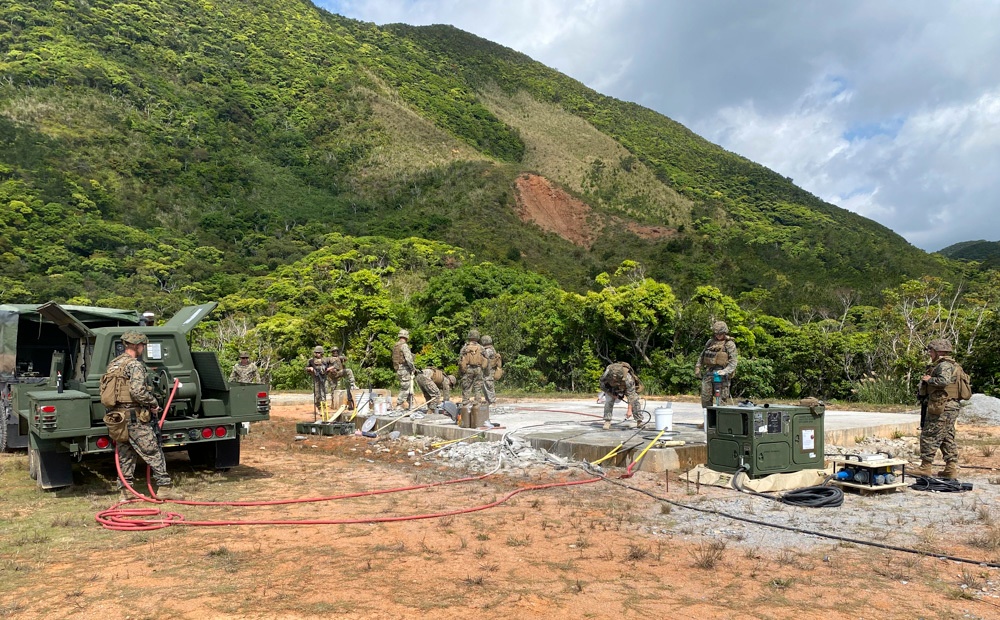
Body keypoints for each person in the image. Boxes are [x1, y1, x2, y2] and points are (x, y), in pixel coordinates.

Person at [103, 330, 175, 495]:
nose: (143, 347)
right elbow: (137, 392)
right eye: (143, 344)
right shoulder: (134, 365)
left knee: (125, 453)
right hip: (134, 418)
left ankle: (126, 492)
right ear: (136, 345)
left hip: (118, 418)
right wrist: (153, 404)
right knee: (152, 450)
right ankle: (164, 488)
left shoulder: (114, 364)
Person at [912, 339, 966, 479]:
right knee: (946, 437)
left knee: (929, 435)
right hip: (948, 406)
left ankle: (925, 467)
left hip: (942, 407)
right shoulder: (952, 365)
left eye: (931, 351)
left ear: (938, 352)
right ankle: (950, 468)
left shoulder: (944, 366)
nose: (929, 353)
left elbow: (943, 381)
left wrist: (929, 380)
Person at [695, 320, 738, 408]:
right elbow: (702, 355)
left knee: (721, 399)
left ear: (725, 332)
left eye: (720, 334)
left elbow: (733, 362)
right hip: (709, 372)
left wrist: (725, 371)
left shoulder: (729, 344)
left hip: (722, 374)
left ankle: (720, 420)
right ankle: (707, 419)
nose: (718, 336)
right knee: (705, 398)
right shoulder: (710, 342)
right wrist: (698, 367)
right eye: (716, 334)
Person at [599, 361, 643, 430]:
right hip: (612, 389)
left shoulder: (628, 378)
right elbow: (602, 386)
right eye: (613, 378)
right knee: (609, 401)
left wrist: (629, 410)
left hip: (626, 388)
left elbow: (631, 395)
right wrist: (611, 394)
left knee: (635, 401)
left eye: (616, 378)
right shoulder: (606, 375)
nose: (614, 379)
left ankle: (639, 421)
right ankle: (607, 421)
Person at [458, 329, 488, 404]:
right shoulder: (481, 347)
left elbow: (460, 358)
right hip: (478, 368)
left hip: (468, 368)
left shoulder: (465, 347)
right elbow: (486, 357)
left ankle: (465, 401)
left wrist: (461, 370)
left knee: (467, 386)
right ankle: (477, 401)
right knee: (478, 386)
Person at [325, 346, 358, 410]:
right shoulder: (329, 359)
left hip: (339, 372)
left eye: (336, 351)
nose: (335, 352)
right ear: (332, 352)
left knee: (348, 371)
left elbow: (346, 359)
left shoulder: (340, 358)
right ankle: (333, 403)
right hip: (332, 376)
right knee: (333, 390)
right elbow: (325, 366)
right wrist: (329, 369)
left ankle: (352, 384)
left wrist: (342, 357)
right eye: (334, 351)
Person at [391, 329, 415, 410]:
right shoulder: (404, 346)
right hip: (404, 369)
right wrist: (413, 368)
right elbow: (408, 359)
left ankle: (411, 403)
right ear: (406, 336)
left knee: (407, 386)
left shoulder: (395, 346)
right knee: (405, 387)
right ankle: (399, 404)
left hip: (398, 369)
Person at [305, 345, 330, 418]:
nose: (317, 354)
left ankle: (324, 409)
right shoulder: (311, 361)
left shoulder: (325, 360)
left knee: (324, 394)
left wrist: (326, 369)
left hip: (323, 378)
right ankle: (319, 408)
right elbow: (306, 368)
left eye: (319, 353)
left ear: (322, 353)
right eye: (316, 353)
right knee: (317, 395)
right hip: (316, 379)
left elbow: (330, 367)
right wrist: (310, 368)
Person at [481, 335, 500, 405]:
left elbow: (483, 358)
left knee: (489, 386)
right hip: (487, 372)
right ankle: (488, 400)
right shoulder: (489, 349)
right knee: (485, 386)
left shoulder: (489, 350)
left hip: (489, 372)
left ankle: (492, 401)